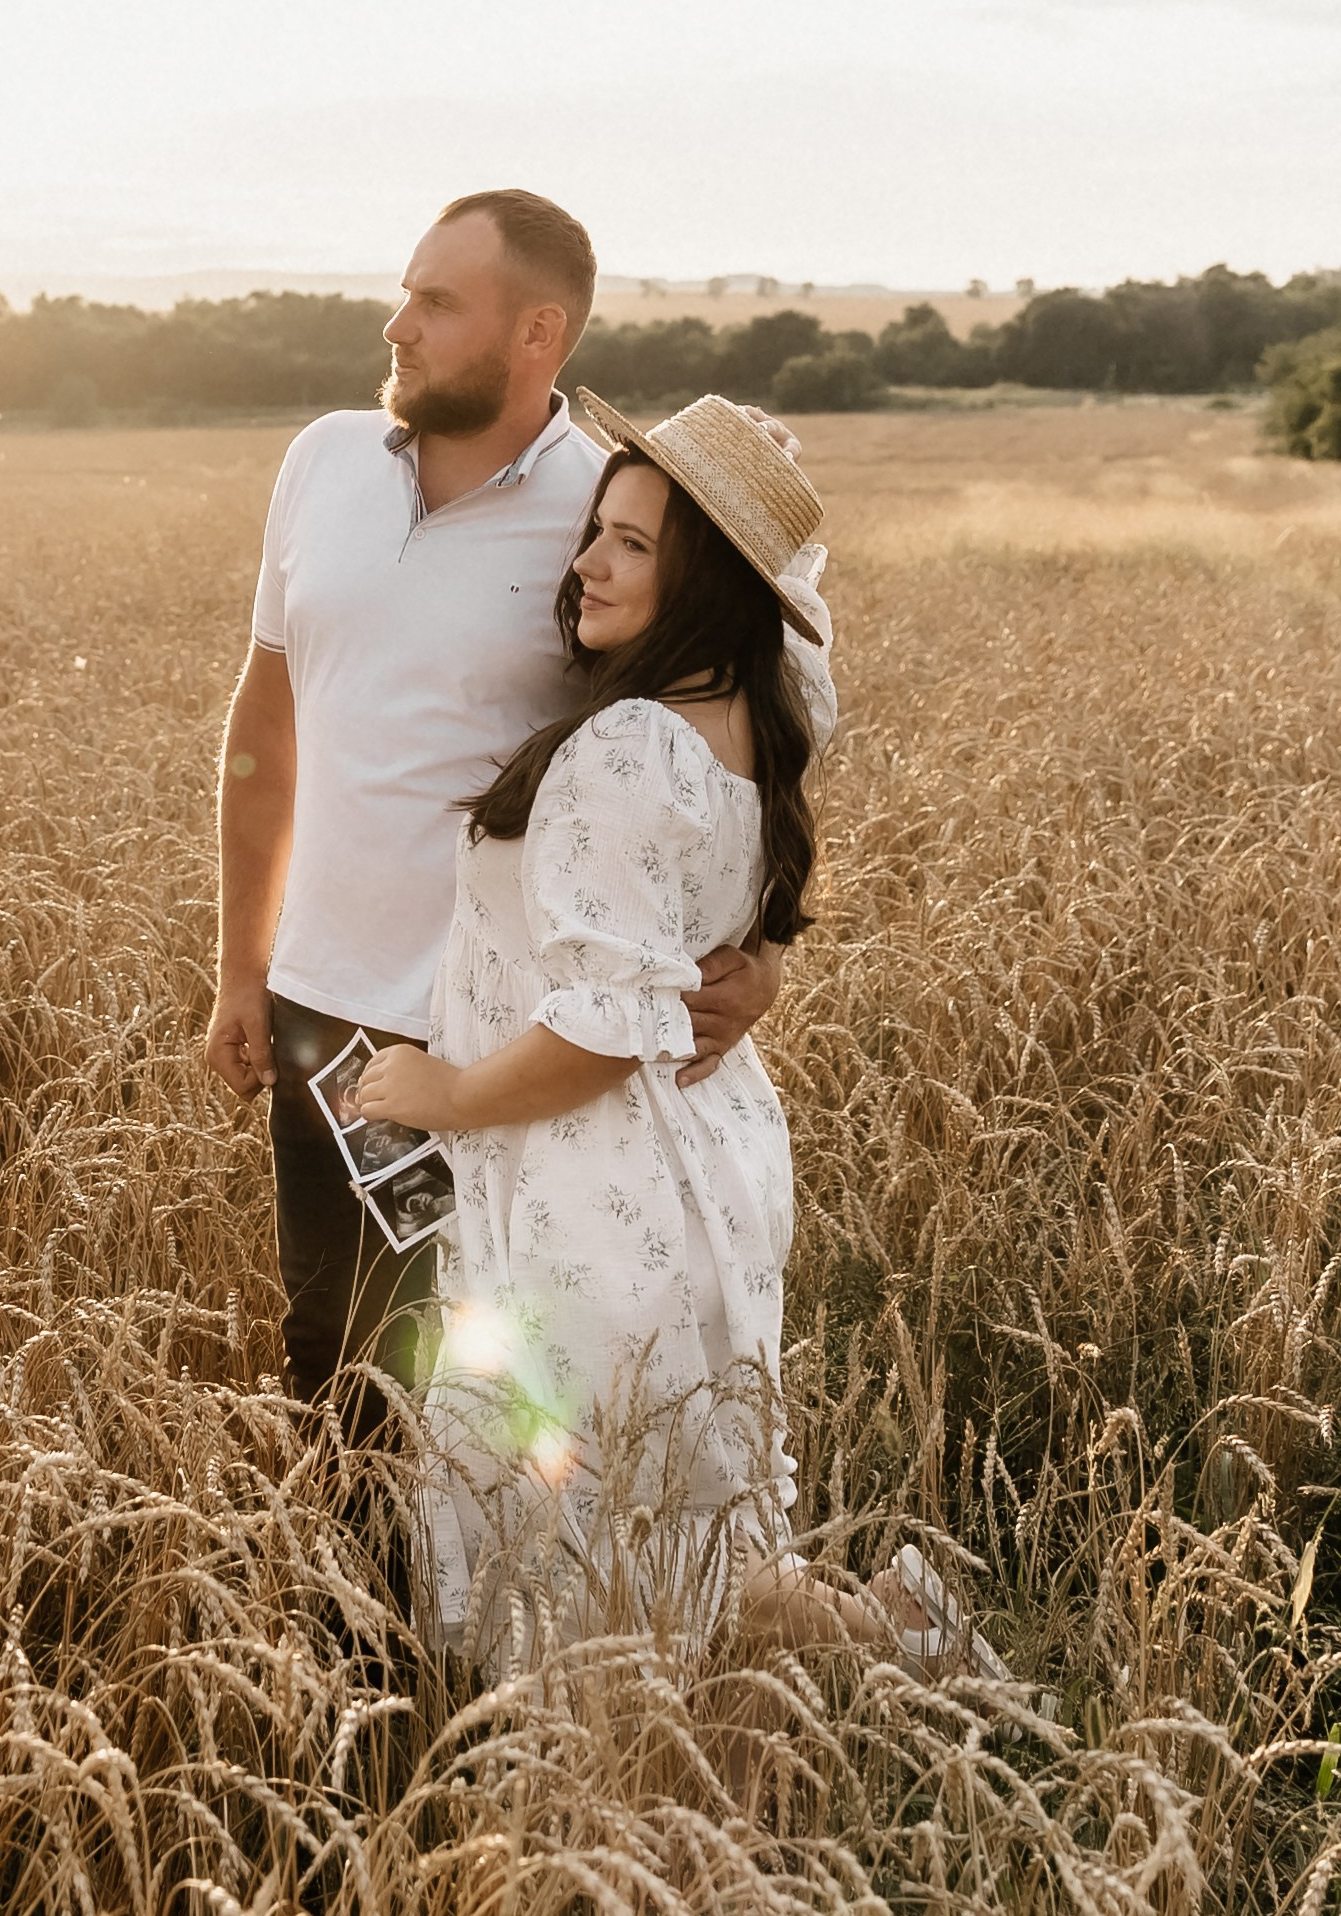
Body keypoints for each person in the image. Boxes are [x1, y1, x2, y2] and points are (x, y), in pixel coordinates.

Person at [353, 393, 1003, 1674]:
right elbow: (800, 634)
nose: (585, 562)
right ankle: (897, 1650)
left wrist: (441, 1093)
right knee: (689, 1523)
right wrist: (755, 475)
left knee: (586, 1537)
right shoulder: (761, 709)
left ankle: (628, 1786)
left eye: (634, 544)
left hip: (597, 1178)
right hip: (713, 1155)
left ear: (703, 576)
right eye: (596, 530)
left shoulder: (623, 748)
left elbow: (602, 1032)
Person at [204, 190, 835, 1432]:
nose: (397, 325)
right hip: (323, 1020)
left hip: (506, 1039)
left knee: (494, 1391)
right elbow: (262, 730)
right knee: (336, 1359)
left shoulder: (618, 509)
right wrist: (240, 964)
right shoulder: (321, 460)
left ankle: (508, 1630)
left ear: (537, 332)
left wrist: (759, 955)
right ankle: (367, 1634)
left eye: (437, 303)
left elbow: (762, 723)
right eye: (405, 292)